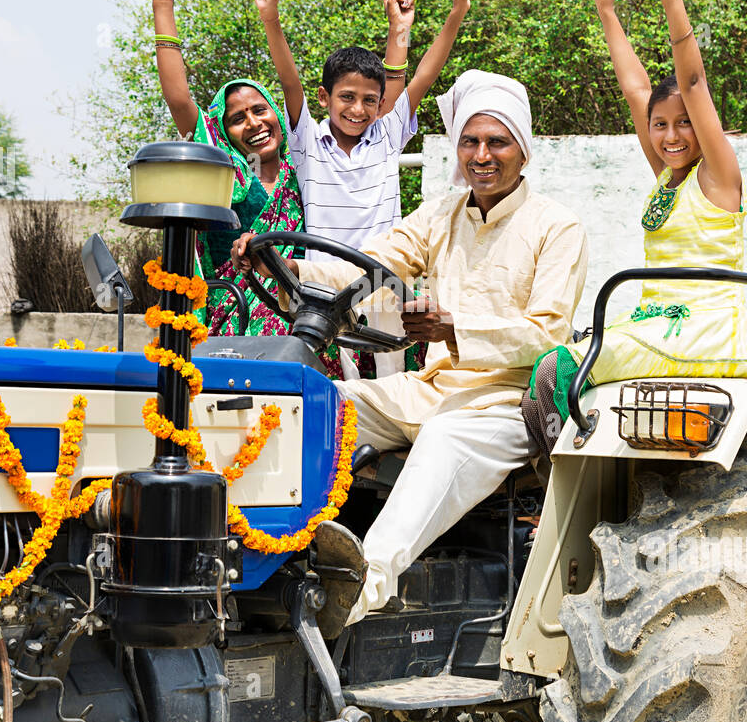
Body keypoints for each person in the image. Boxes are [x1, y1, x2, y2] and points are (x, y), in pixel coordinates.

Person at [233, 70, 588, 638]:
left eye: (497, 142)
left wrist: (454, 328)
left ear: (522, 149)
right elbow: (369, 264)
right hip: (429, 389)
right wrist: (294, 267)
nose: (482, 156)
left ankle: (355, 589)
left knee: (445, 439)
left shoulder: (556, 225)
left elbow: (547, 333)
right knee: (315, 399)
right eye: (470, 142)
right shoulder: (439, 216)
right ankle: (243, 555)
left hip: (503, 403)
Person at [522, 0, 747, 458]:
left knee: (556, 369)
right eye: (660, 125)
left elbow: (694, 84)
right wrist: (607, 10)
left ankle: (554, 496)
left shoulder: (718, 178)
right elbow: (636, 88)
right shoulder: (665, 178)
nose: (671, 135)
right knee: (541, 363)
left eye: (684, 123)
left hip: (705, 329)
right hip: (655, 323)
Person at [146, 0, 370, 377]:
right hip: (241, 310)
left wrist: (272, 18)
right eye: (237, 119)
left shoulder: (306, 162)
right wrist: (163, 3)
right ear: (221, 132)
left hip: (310, 308)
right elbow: (178, 98)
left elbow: (292, 85)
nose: (253, 123)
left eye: (260, 109)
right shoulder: (222, 175)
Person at [251, 0, 476, 379]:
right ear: (325, 98)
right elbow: (289, 78)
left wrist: (456, 11)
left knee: (392, 373)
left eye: (370, 101)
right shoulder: (307, 143)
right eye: (347, 98)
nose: (358, 110)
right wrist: (271, 18)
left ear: (381, 102)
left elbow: (425, 72)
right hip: (322, 284)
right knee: (335, 378)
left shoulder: (386, 137)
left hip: (380, 279)